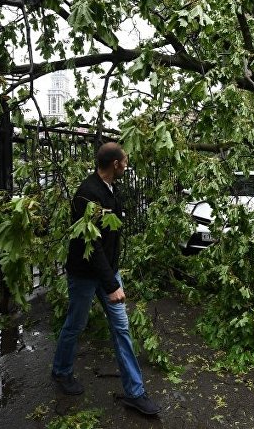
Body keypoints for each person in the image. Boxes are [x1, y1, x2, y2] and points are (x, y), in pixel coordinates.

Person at [51, 142, 161, 416]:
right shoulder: (87, 195)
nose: (126, 165)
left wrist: (113, 273)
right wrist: (112, 285)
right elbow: (92, 244)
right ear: (115, 164)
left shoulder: (111, 189)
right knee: (75, 324)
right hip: (85, 275)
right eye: (125, 161)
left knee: (121, 329)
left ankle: (135, 393)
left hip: (108, 272)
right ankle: (61, 371)